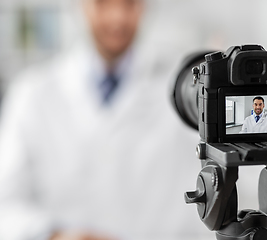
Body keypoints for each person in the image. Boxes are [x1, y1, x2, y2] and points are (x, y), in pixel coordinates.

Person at [0, 0, 211, 239]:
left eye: (129, 4)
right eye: (102, 3)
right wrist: (55, 234)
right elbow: (5, 206)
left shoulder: (187, 92)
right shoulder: (32, 95)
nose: (117, 18)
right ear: (80, 6)